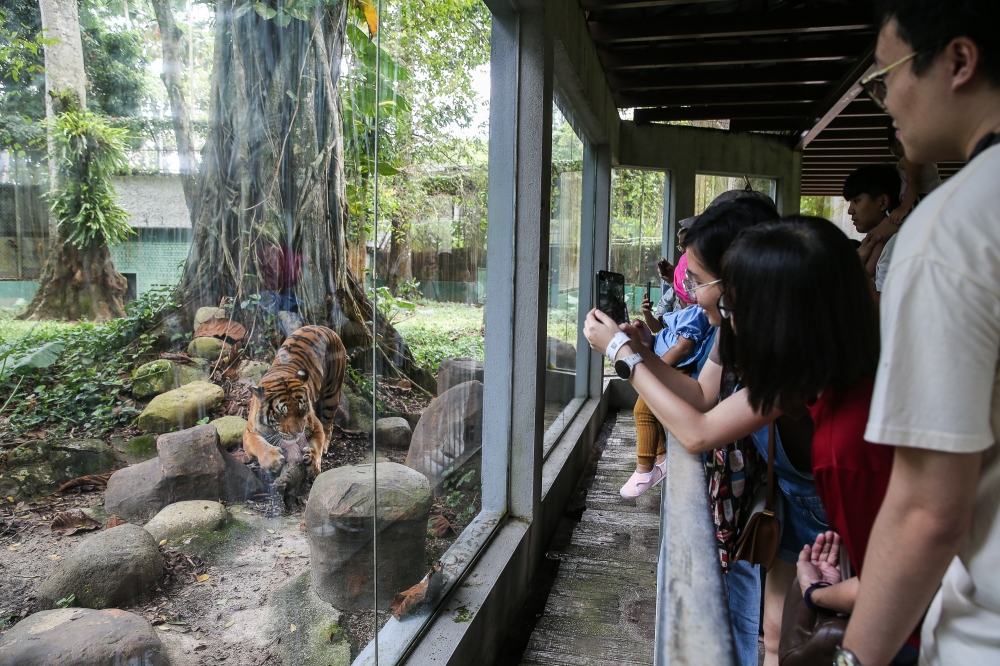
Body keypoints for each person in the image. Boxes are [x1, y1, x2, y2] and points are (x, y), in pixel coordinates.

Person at [585, 194, 826, 666]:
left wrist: (624, 355)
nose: (690, 295)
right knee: (775, 632)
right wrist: (643, 352)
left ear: (735, 276)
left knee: (799, 639)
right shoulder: (735, 324)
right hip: (789, 493)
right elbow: (701, 395)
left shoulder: (785, 342)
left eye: (695, 281)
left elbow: (697, 432)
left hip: (824, 504)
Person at [838, 1, 1000, 665]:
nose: (886, 102)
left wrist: (855, 659)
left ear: (958, 62)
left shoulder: (952, 232)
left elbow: (928, 509)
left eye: (886, 75)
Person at [712, 217, 919, 664]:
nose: (727, 323)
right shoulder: (863, 390)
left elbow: (898, 587)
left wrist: (820, 593)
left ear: (778, 325)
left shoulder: (845, 443)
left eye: (733, 308)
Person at [621, 302, 714, 499]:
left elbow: (682, 348)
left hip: (674, 368)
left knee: (642, 410)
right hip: (668, 364)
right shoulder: (685, 311)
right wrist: (647, 338)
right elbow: (670, 339)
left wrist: (651, 369)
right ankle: (661, 459)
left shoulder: (695, 312)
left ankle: (645, 468)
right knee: (648, 410)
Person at [841, 165, 901, 291]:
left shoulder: (896, 246)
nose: (850, 211)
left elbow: (881, 308)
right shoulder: (879, 245)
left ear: (883, 202)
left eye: (856, 201)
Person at [887, 126, 941, 226]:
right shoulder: (925, 158)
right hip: (929, 200)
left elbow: (914, 182)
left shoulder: (910, 159)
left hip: (919, 201)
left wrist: (904, 207)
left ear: (898, 142)